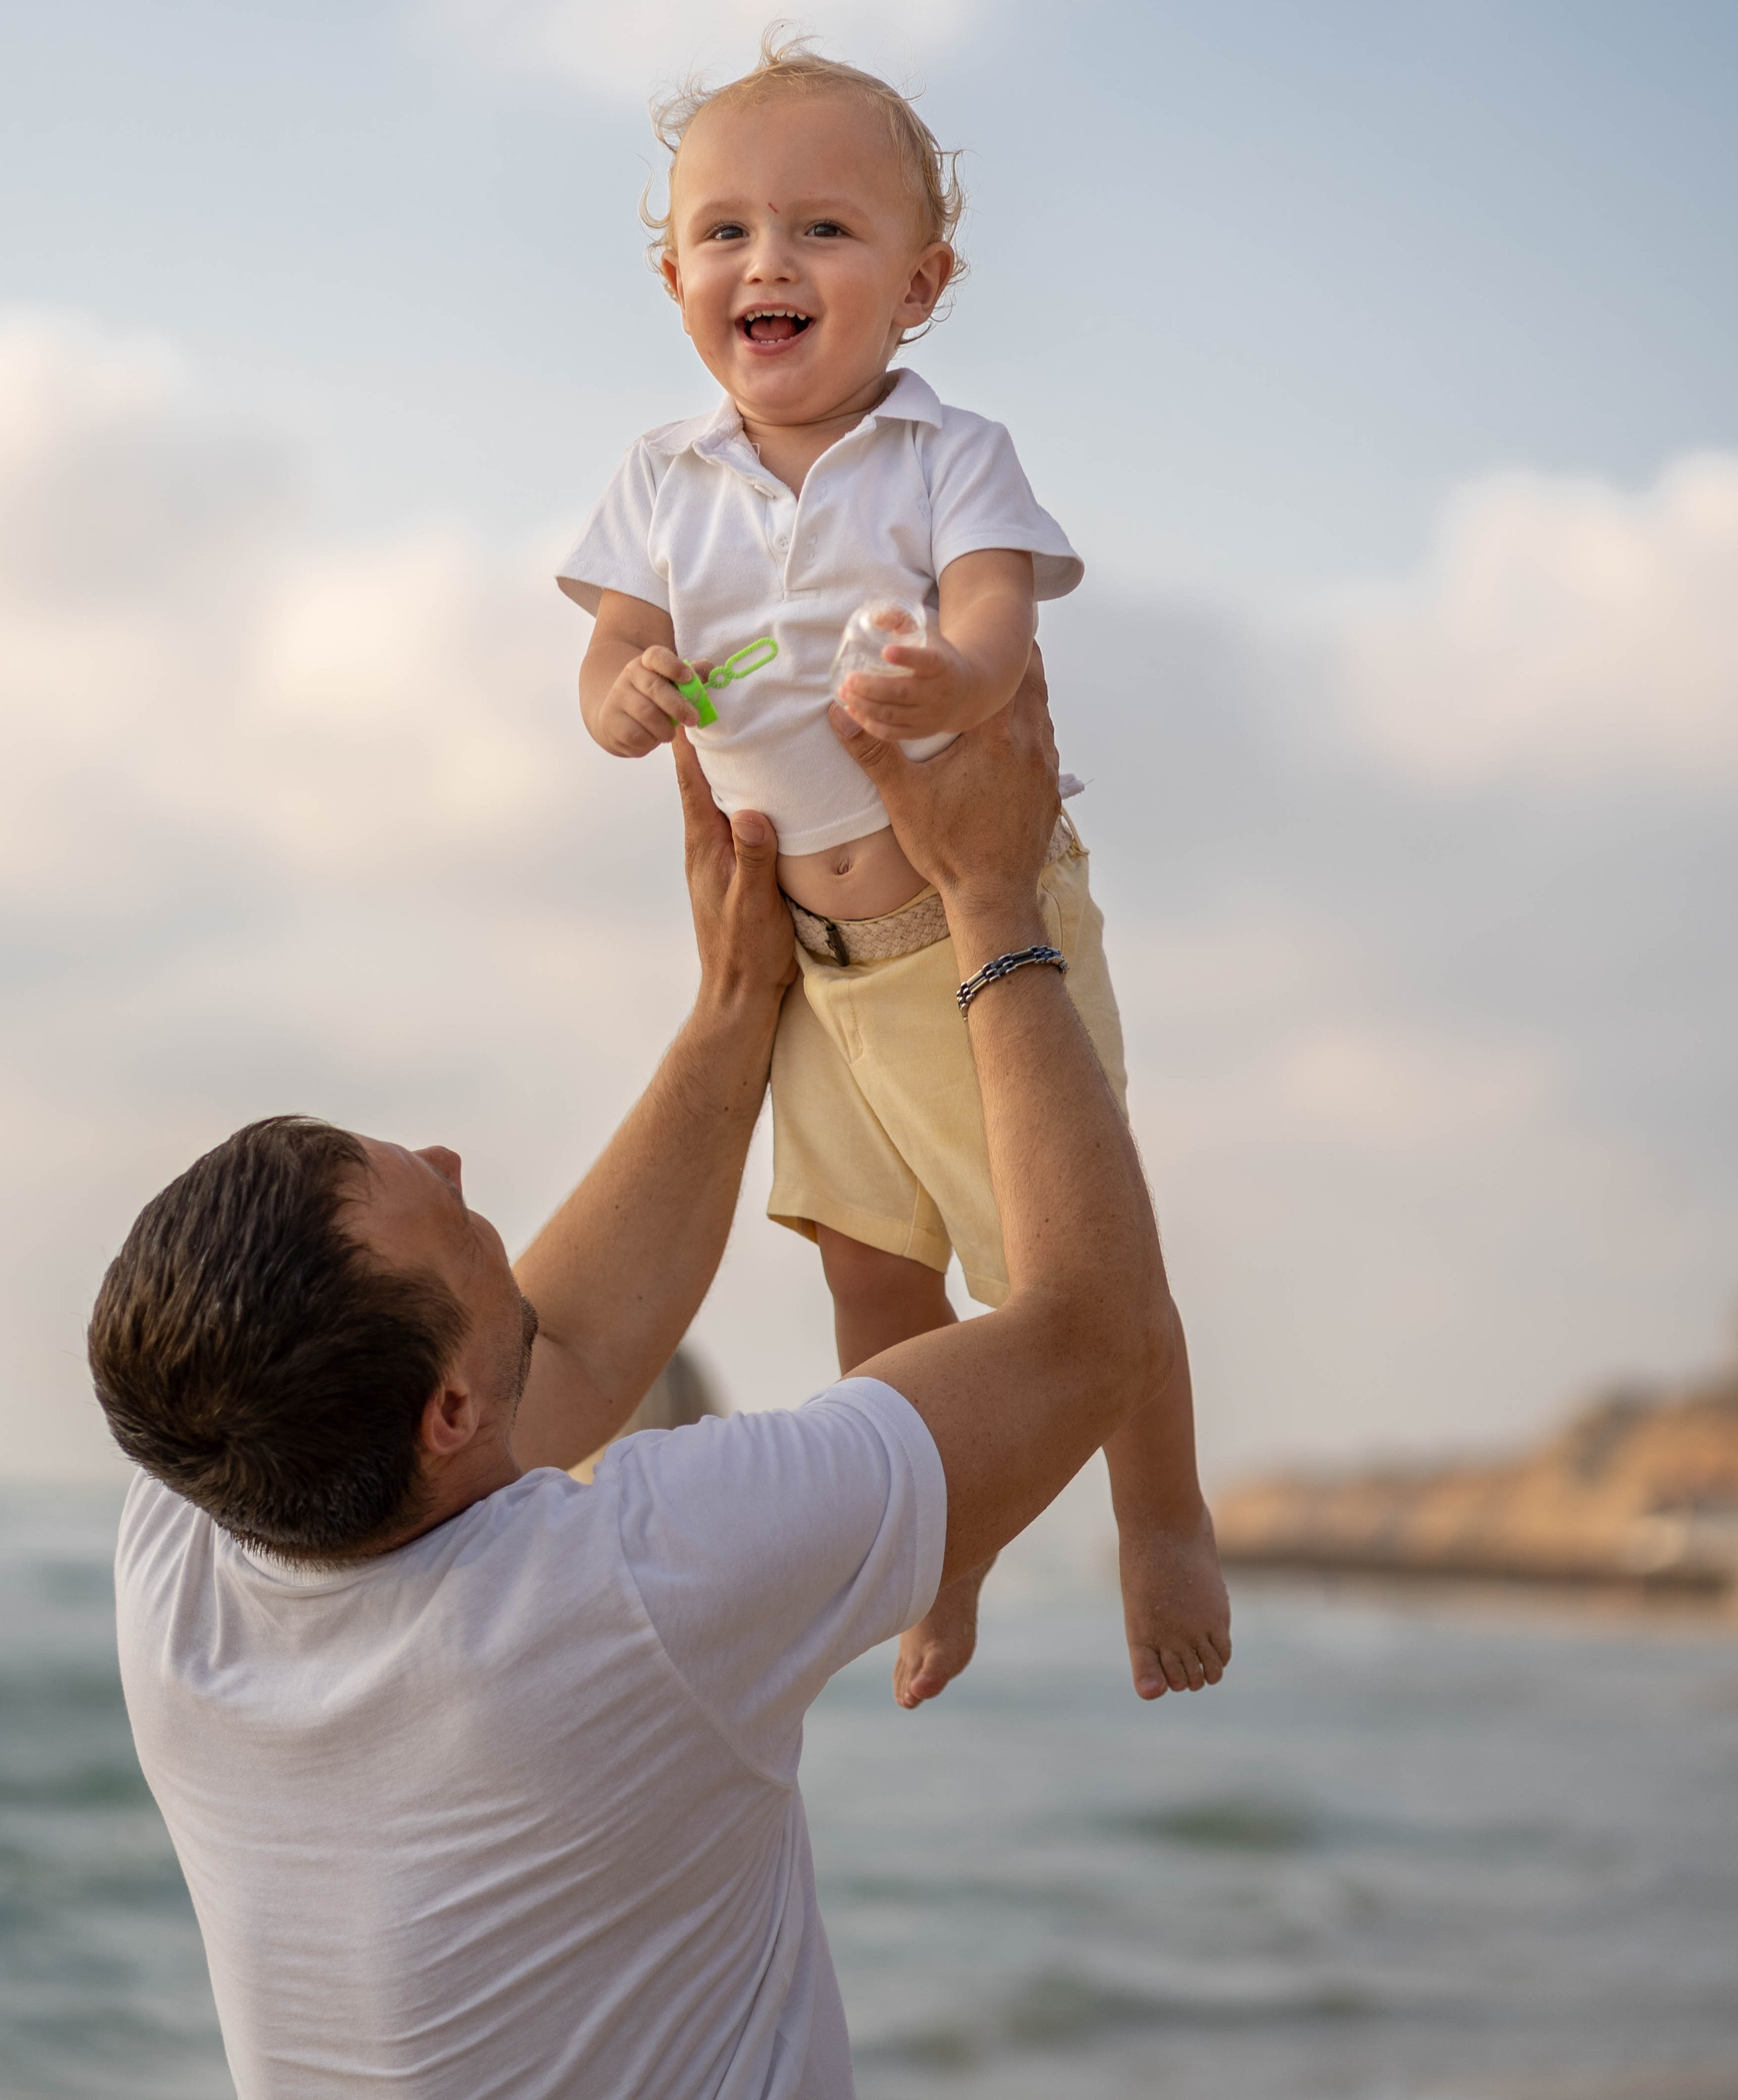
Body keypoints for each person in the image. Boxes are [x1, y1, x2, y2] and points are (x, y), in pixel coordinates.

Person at [91, 672, 1204, 2100]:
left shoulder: (188, 1535)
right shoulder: (629, 1591)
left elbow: (566, 1355)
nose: (448, 1163)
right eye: (438, 1209)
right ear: (444, 1418)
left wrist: (739, 1002)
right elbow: (1090, 1335)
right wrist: (991, 901)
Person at [560, 32, 1229, 1704]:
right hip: (803, 951)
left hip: (962, 914)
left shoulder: (946, 455)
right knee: (870, 1267)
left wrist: (956, 676)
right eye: (723, 233)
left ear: (918, 285)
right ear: (672, 280)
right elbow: (610, 674)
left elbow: (998, 616)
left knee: (1074, 1257)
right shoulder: (659, 479)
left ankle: (1162, 1522)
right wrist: (625, 696)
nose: (764, 263)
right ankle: (937, 1553)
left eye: (821, 231)